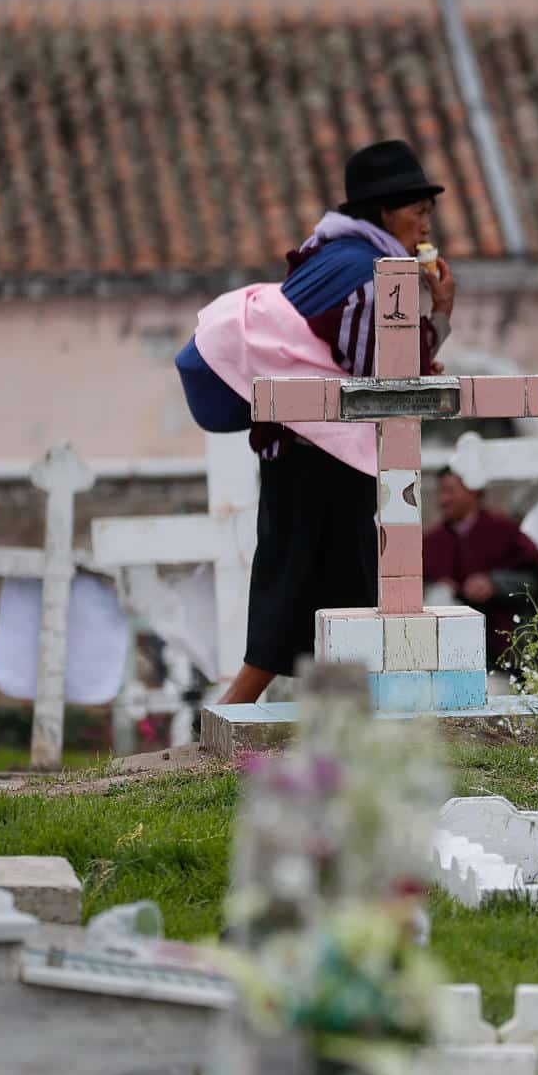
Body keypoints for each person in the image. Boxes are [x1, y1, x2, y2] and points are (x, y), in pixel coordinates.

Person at [175, 139, 456, 704]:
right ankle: (237, 708)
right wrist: (440, 312)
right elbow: (370, 369)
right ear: (383, 212)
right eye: (417, 210)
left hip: (304, 443)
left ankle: (342, 703)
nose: (426, 222)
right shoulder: (370, 269)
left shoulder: (335, 254)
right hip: (317, 446)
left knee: (329, 572)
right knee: (303, 572)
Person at [423, 469, 538, 667]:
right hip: (455, 655)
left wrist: (495, 584)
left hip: (510, 650)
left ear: (473, 492)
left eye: (450, 491)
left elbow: (535, 580)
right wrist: (439, 590)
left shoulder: (505, 531)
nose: (443, 500)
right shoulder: (432, 542)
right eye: (440, 492)